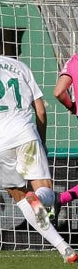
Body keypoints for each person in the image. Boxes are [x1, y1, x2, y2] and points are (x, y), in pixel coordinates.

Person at [0, 27, 77, 263]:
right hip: (25, 134)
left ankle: (65, 248)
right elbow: (40, 108)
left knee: (22, 198)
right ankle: (42, 201)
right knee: (43, 190)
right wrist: (41, 140)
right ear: (2, 47)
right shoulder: (20, 67)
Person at [52, 53, 78, 209]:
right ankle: (59, 199)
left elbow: (58, 92)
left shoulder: (75, 59)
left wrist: (72, 107)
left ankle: (59, 199)